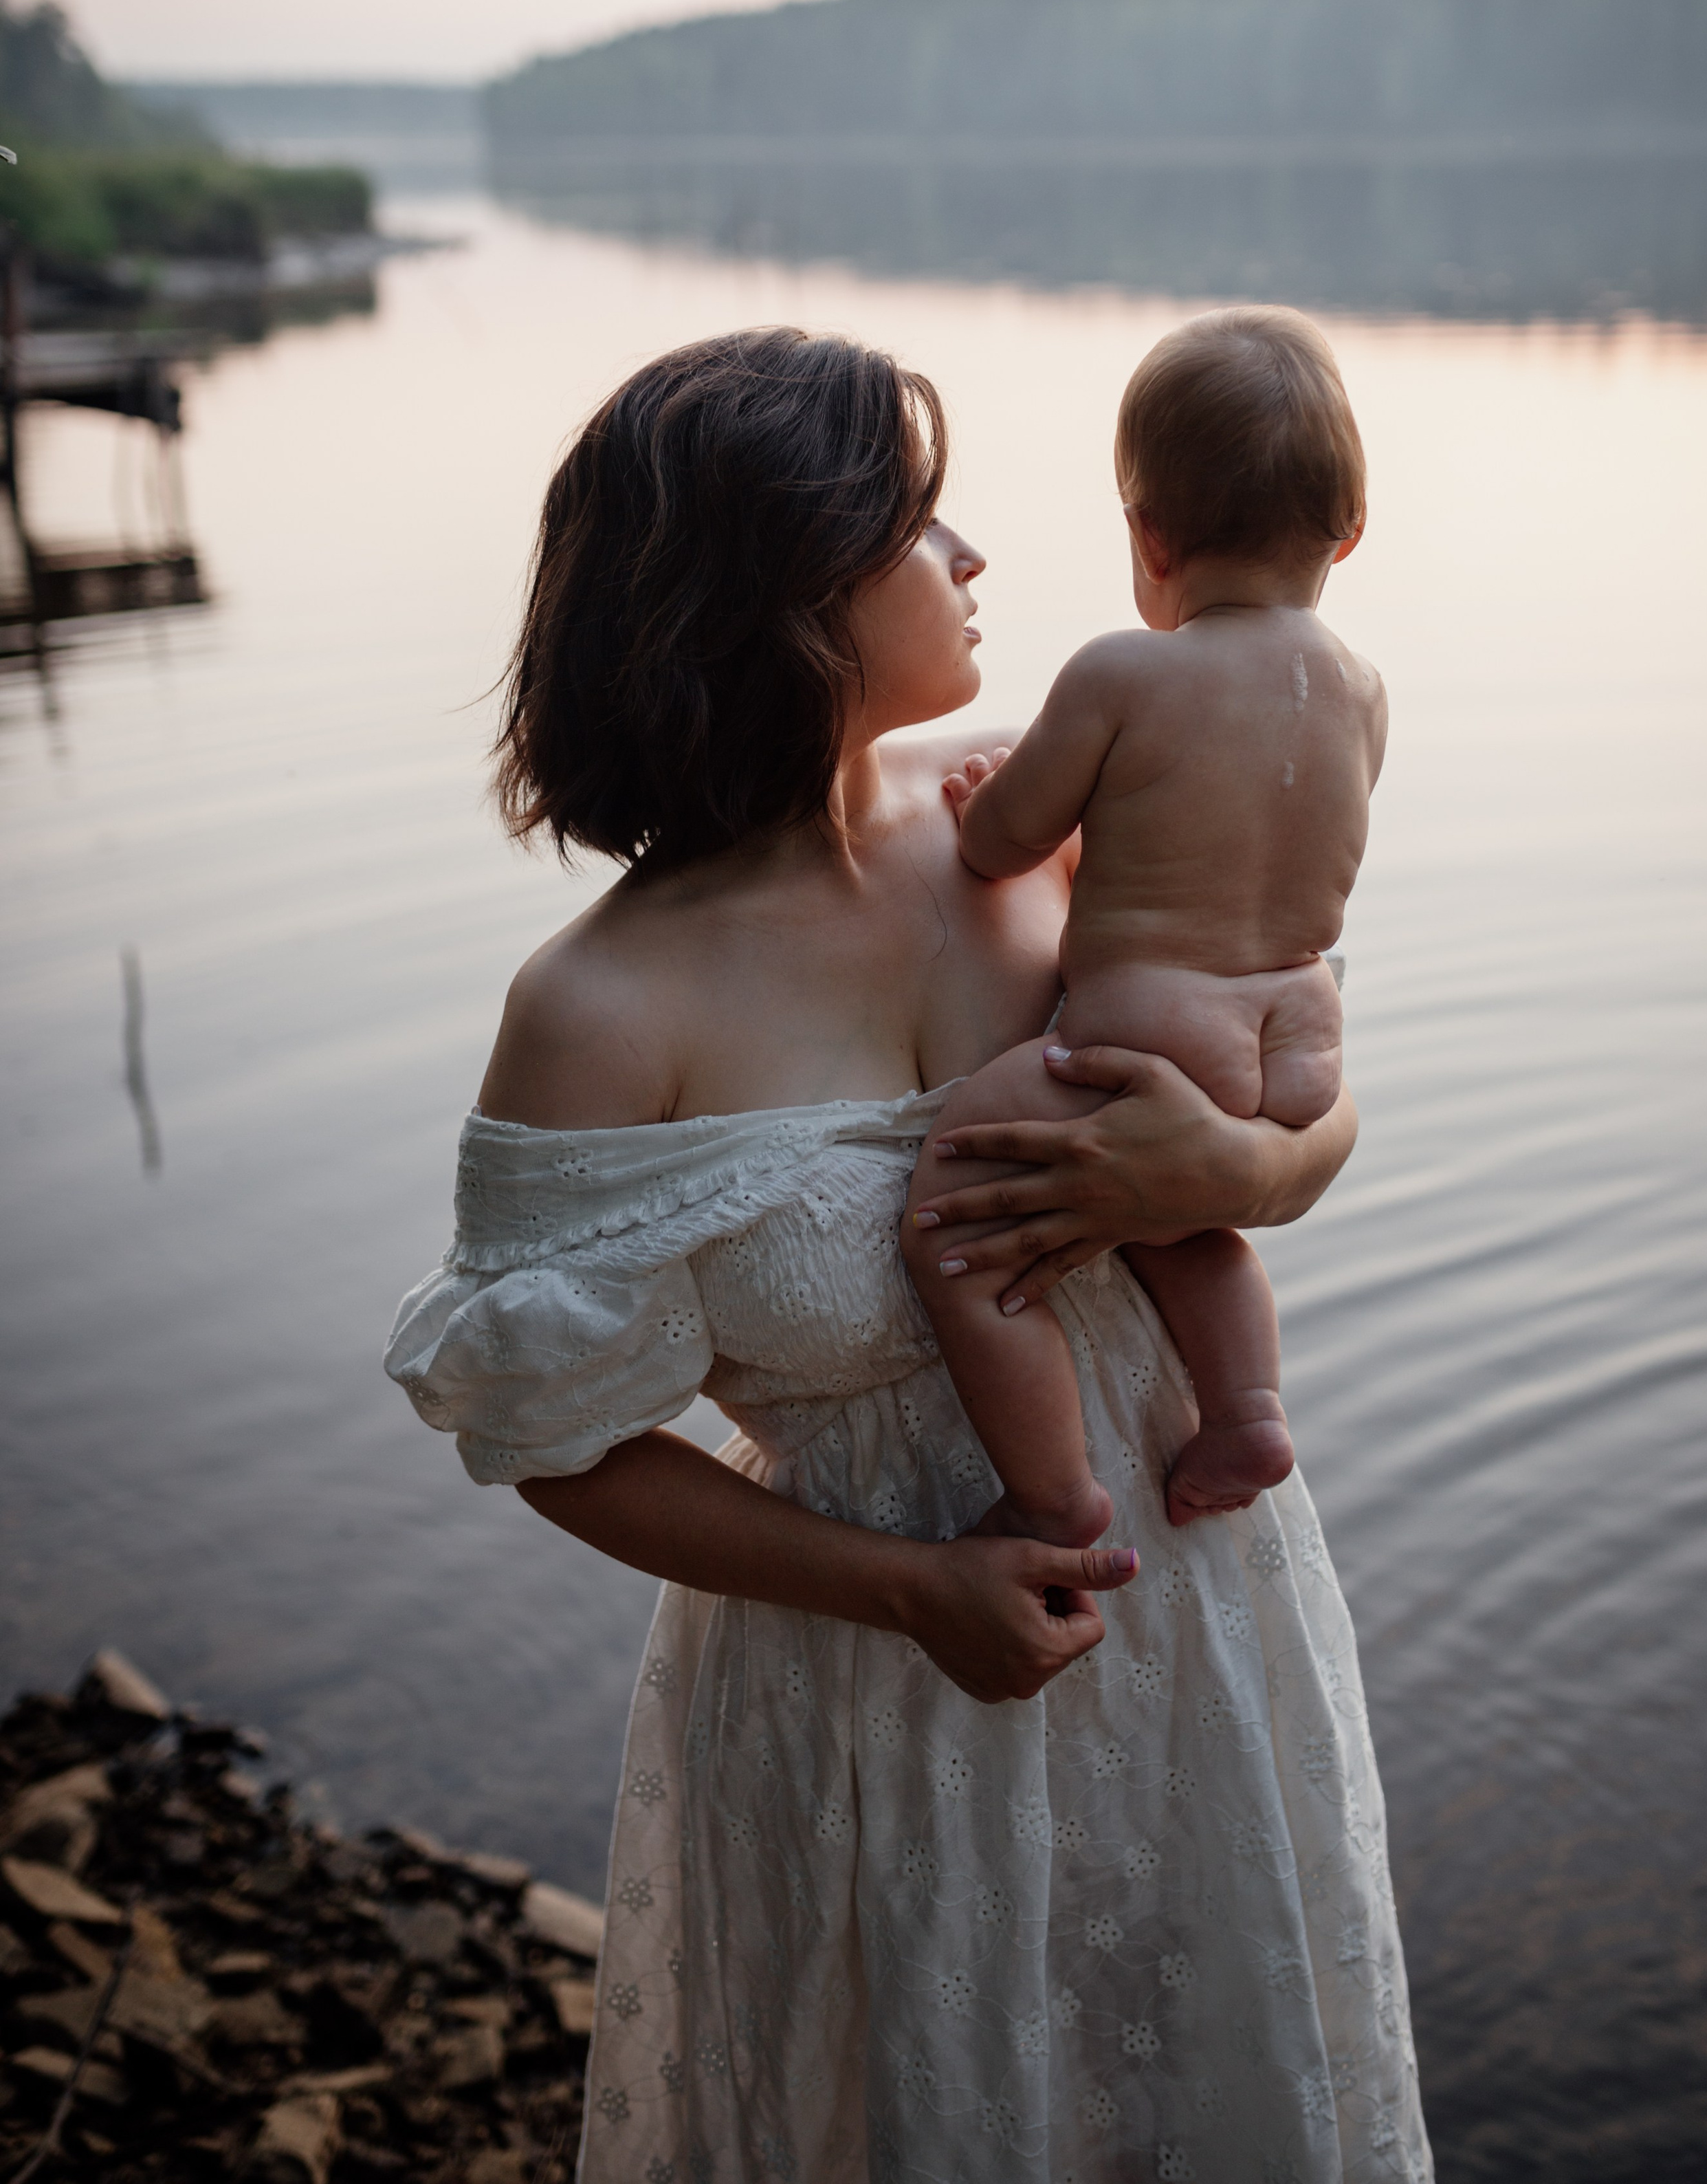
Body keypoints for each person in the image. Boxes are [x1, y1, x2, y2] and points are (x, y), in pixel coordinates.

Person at [385, 327, 1431, 2183]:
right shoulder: (601, 1009)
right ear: (782, 595)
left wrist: (1253, 1176)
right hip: (874, 1675)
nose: (972, 563)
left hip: (1198, 1594)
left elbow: (1298, 1048)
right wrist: (907, 1588)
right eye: (914, 526)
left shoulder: (1027, 810)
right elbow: (553, 1444)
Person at [901, 307, 1387, 1542]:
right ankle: (1248, 1409)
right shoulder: (1360, 690)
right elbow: (1250, 849)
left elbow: (1006, 841)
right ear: (1352, 528)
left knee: (953, 1207)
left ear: (1148, 533)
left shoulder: (1125, 672)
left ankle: (1053, 1490)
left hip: (1151, 1025)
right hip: (1292, 1036)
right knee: (1191, 1227)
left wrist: (981, 803)